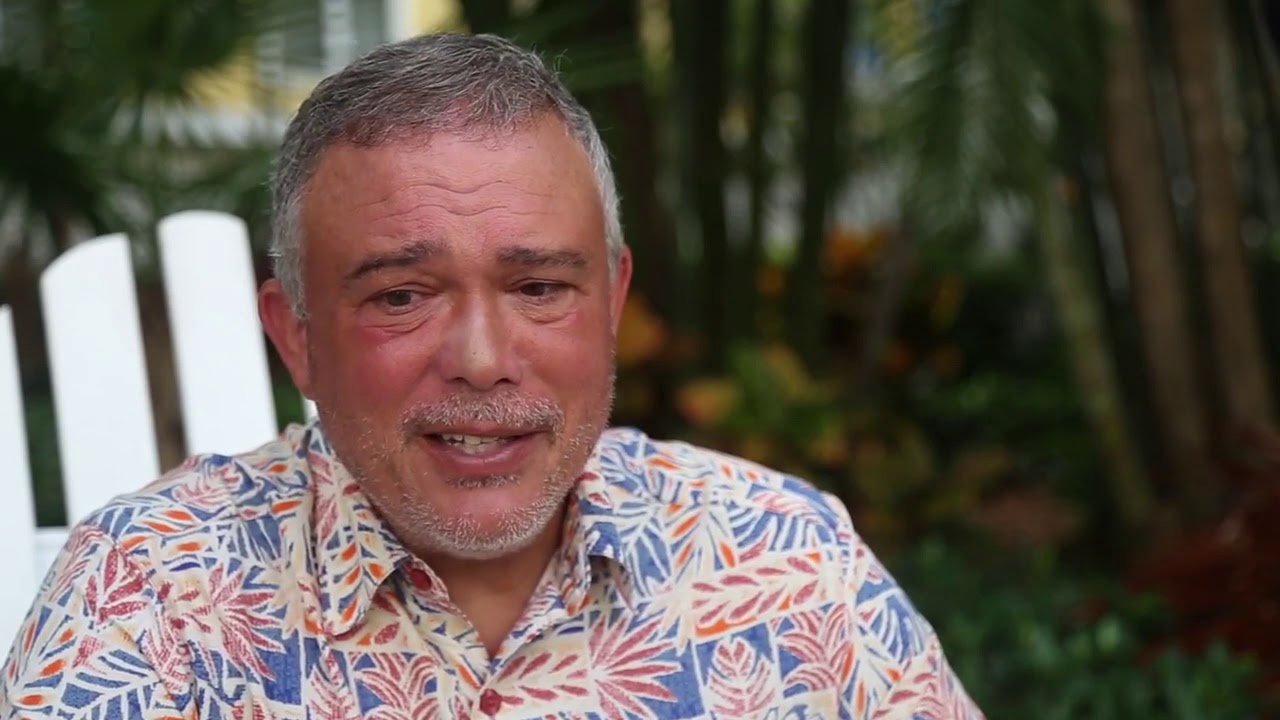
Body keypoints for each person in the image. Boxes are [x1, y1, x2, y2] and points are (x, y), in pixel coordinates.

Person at [1, 32, 983, 719]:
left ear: (611, 303)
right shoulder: (149, 598)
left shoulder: (786, 563)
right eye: (401, 297)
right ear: (295, 336)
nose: (481, 359)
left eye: (539, 287)